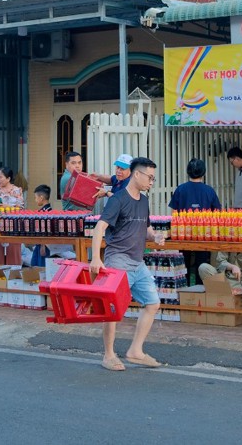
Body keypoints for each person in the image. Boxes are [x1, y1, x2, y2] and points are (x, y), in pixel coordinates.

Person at [91, 157, 165, 371]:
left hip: (137, 263)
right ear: (137, 174)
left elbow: (147, 228)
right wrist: (96, 258)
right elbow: (99, 228)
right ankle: (108, 355)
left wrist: (155, 236)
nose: (151, 182)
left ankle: (135, 351)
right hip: (117, 262)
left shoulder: (144, 201)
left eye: (153, 178)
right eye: (150, 177)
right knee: (113, 311)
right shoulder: (118, 199)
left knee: (152, 303)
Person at [169, 158, 222, 282]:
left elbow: (174, 214)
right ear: (203, 172)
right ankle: (201, 290)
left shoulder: (180, 189)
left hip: (183, 234)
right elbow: (217, 215)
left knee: (183, 266)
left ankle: (184, 289)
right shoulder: (209, 191)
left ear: (188, 172)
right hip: (204, 235)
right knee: (202, 265)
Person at [0, 167, 25, 265]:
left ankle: (14, 273)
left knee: (13, 252)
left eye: (1, 177)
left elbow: (21, 208)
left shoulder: (17, 190)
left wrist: (7, 207)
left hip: (14, 226)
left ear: (8, 179)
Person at [31, 185, 53, 266]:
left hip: (43, 244)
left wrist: (43, 245)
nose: (35, 200)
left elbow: (45, 229)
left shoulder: (45, 212)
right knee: (34, 264)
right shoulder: (48, 210)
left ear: (41, 198)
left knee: (40, 266)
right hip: (39, 243)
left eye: (35, 197)